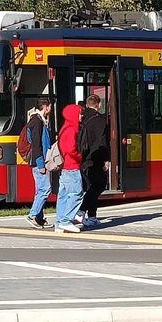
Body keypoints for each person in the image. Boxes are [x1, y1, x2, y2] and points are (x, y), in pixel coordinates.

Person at [77, 94, 109, 227]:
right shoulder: (100, 120)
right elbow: (102, 142)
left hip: (82, 158)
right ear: (99, 105)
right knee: (99, 185)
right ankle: (81, 210)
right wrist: (106, 159)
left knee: (91, 187)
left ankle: (92, 217)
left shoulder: (81, 118)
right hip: (95, 158)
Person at [25, 97, 53, 230]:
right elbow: (36, 145)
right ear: (46, 107)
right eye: (50, 107)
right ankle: (32, 215)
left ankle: (39, 218)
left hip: (38, 161)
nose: (51, 109)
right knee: (45, 189)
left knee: (40, 190)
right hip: (39, 162)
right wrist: (41, 164)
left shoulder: (36, 120)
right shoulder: (38, 122)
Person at [55, 103, 83, 233]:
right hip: (72, 166)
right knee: (77, 194)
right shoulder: (72, 129)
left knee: (63, 195)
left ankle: (59, 222)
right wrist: (79, 156)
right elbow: (71, 149)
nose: (81, 116)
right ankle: (66, 221)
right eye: (79, 113)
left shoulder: (64, 128)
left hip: (65, 167)